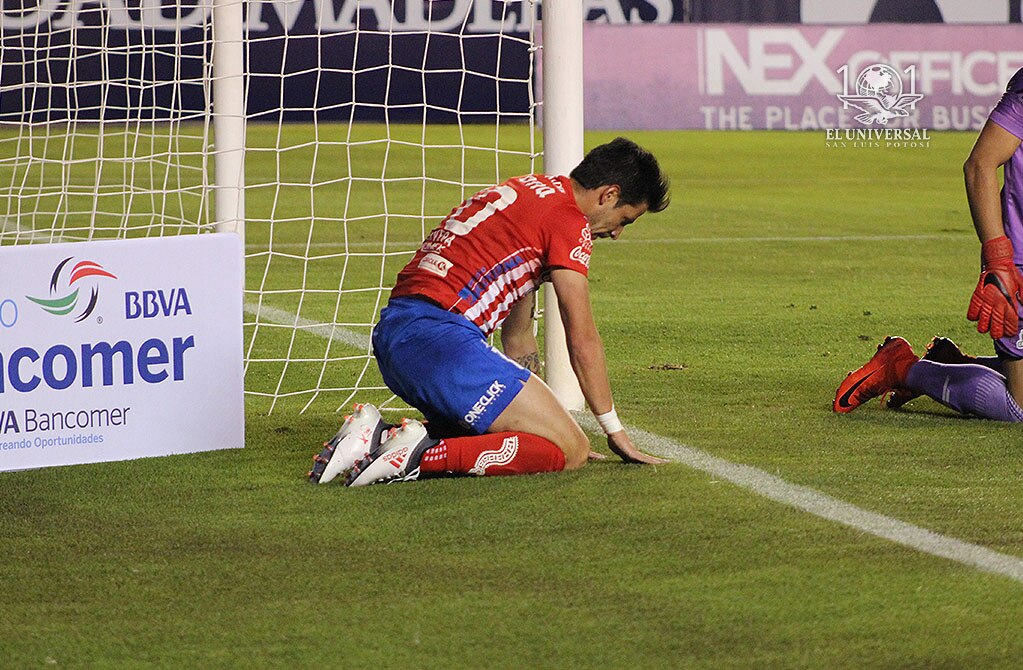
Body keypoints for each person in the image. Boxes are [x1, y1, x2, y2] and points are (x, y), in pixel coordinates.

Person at [309, 137, 672, 486]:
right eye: (625, 219)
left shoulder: (529, 192)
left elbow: (518, 336)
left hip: (400, 337)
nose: (617, 233)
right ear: (609, 195)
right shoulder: (569, 220)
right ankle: (417, 457)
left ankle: (375, 436)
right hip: (442, 342)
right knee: (573, 451)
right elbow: (582, 337)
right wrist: (614, 430)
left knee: (540, 438)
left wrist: (548, 424)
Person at [834, 67, 1023, 422]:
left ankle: (953, 364)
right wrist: (999, 259)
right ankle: (902, 368)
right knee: (1020, 409)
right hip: (1018, 266)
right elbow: (979, 166)